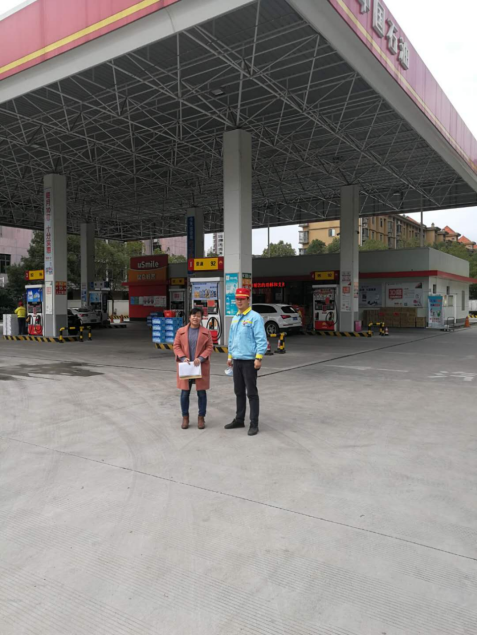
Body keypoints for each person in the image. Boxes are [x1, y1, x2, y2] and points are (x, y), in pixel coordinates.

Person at [226, 288, 268, 436]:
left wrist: (258, 358)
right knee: (238, 391)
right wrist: (230, 356)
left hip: (250, 361)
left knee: (251, 393)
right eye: (237, 299)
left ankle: (254, 423)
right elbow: (231, 339)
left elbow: (261, 339)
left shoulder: (255, 317)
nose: (239, 301)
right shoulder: (235, 317)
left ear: (248, 300)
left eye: (242, 299)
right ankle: (239, 419)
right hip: (237, 360)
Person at [173, 307, 213, 430]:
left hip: (199, 366)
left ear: (201, 318)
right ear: (190, 317)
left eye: (198, 316)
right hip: (186, 366)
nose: (196, 318)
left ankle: (201, 417)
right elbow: (176, 346)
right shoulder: (181, 331)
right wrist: (182, 357)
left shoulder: (206, 332)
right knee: (185, 393)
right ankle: (185, 417)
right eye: (194, 315)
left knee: (201, 393)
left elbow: (209, 347)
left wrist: (200, 358)